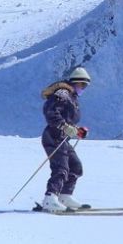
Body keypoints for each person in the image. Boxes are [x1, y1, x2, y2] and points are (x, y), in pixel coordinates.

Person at [36, 67, 91, 212]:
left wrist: (76, 130)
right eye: (82, 85)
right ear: (75, 82)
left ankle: (64, 195)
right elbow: (51, 112)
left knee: (75, 166)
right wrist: (64, 126)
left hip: (62, 137)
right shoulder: (62, 93)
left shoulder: (72, 96)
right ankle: (50, 198)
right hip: (53, 136)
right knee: (61, 168)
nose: (84, 88)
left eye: (86, 86)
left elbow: (67, 119)